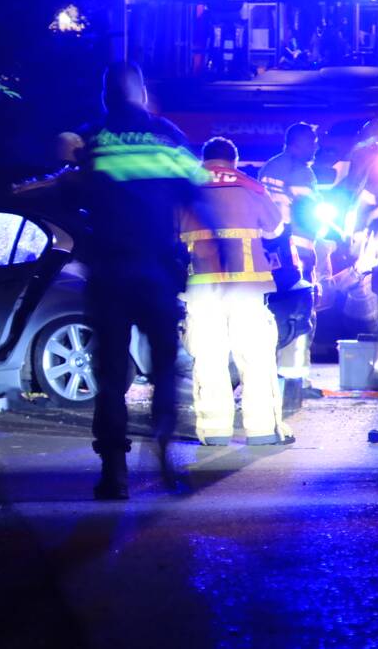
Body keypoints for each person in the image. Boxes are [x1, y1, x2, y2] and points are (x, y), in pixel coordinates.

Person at [73, 62, 207, 500]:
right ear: (142, 92)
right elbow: (198, 190)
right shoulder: (167, 135)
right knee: (164, 369)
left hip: (109, 272)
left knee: (111, 375)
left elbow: (73, 193)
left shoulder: (91, 138)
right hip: (155, 272)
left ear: (105, 95)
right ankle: (166, 455)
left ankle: (114, 472)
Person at [180, 137, 295, 446]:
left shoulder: (185, 189)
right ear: (234, 160)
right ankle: (262, 431)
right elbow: (275, 229)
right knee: (255, 356)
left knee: (208, 356)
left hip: (201, 285)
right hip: (247, 285)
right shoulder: (251, 187)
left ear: (204, 159)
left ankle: (215, 431)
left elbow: (169, 234)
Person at [259, 122, 322, 395]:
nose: (316, 147)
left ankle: (269, 377)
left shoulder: (270, 167)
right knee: (302, 312)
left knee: (273, 311)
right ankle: (296, 382)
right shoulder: (301, 171)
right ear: (299, 142)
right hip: (298, 251)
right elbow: (308, 212)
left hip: (270, 252)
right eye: (313, 142)